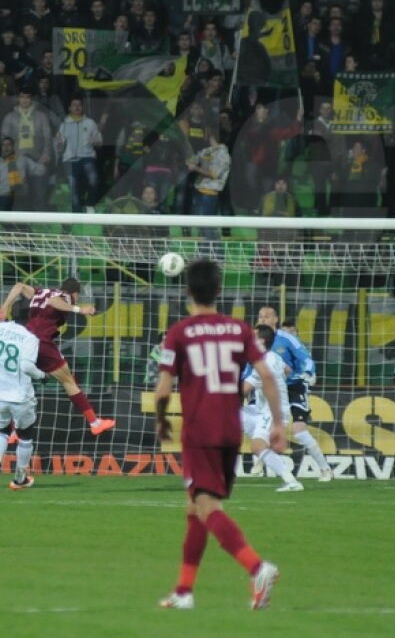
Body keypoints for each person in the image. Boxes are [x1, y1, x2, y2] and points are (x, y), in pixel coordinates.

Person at [154, 259, 284, 610]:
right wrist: (277, 425)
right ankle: (183, 592)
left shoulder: (179, 332)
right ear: (219, 290)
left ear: (186, 291)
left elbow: (164, 388)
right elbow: (267, 376)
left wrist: (162, 419)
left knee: (205, 506)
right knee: (195, 508)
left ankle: (257, 567)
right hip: (230, 429)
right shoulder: (239, 329)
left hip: (199, 431)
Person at [0, 278, 116, 436]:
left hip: (23, 342)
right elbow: (53, 301)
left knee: (22, 386)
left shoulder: (41, 292)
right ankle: (95, 423)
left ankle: (13, 433)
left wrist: (4, 308)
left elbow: (19, 286)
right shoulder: (64, 296)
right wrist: (80, 309)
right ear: (75, 293)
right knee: (69, 382)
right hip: (41, 343)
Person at [256, 305, 333, 481]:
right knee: (260, 426)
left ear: (275, 320)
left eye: (267, 316)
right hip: (271, 388)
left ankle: (325, 469)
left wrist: (308, 373)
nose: (263, 320)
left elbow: (305, 357)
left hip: (294, 386)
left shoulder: (287, 338)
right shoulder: (254, 340)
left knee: (300, 431)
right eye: (260, 316)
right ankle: (261, 458)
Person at [0, 299, 46, 492]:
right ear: (31, 316)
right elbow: (26, 366)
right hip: (20, 395)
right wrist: (42, 375)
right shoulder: (29, 338)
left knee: (2, 431)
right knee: (25, 435)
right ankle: (20, 478)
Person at [242, 325, 304, 492]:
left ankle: (291, 482)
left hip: (273, 411)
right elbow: (288, 370)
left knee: (257, 447)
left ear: (261, 340)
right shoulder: (274, 357)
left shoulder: (265, 362)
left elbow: (244, 389)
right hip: (261, 408)